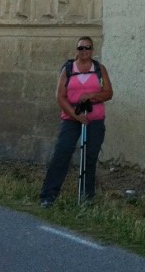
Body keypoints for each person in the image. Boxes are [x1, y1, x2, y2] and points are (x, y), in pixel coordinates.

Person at [40, 37, 113, 207]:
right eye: (81, 48)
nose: (84, 51)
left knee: (90, 158)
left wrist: (91, 96)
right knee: (62, 154)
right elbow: (60, 96)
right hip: (71, 119)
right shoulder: (68, 69)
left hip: (94, 120)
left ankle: (86, 199)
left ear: (92, 50)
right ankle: (48, 196)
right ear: (77, 50)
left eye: (88, 48)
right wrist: (75, 114)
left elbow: (108, 93)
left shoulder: (99, 69)